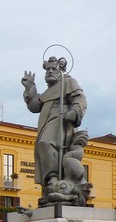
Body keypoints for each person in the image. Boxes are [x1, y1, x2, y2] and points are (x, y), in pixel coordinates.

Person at [22, 56, 87, 205]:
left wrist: (75, 110)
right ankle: (53, 180)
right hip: (47, 122)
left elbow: (80, 98)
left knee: (44, 143)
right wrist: (29, 87)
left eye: (53, 69)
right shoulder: (49, 90)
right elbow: (34, 107)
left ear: (60, 70)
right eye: (47, 69)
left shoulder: (68, 82)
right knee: (44, 146)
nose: (50, 71)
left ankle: (53, 176)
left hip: (62, 121)